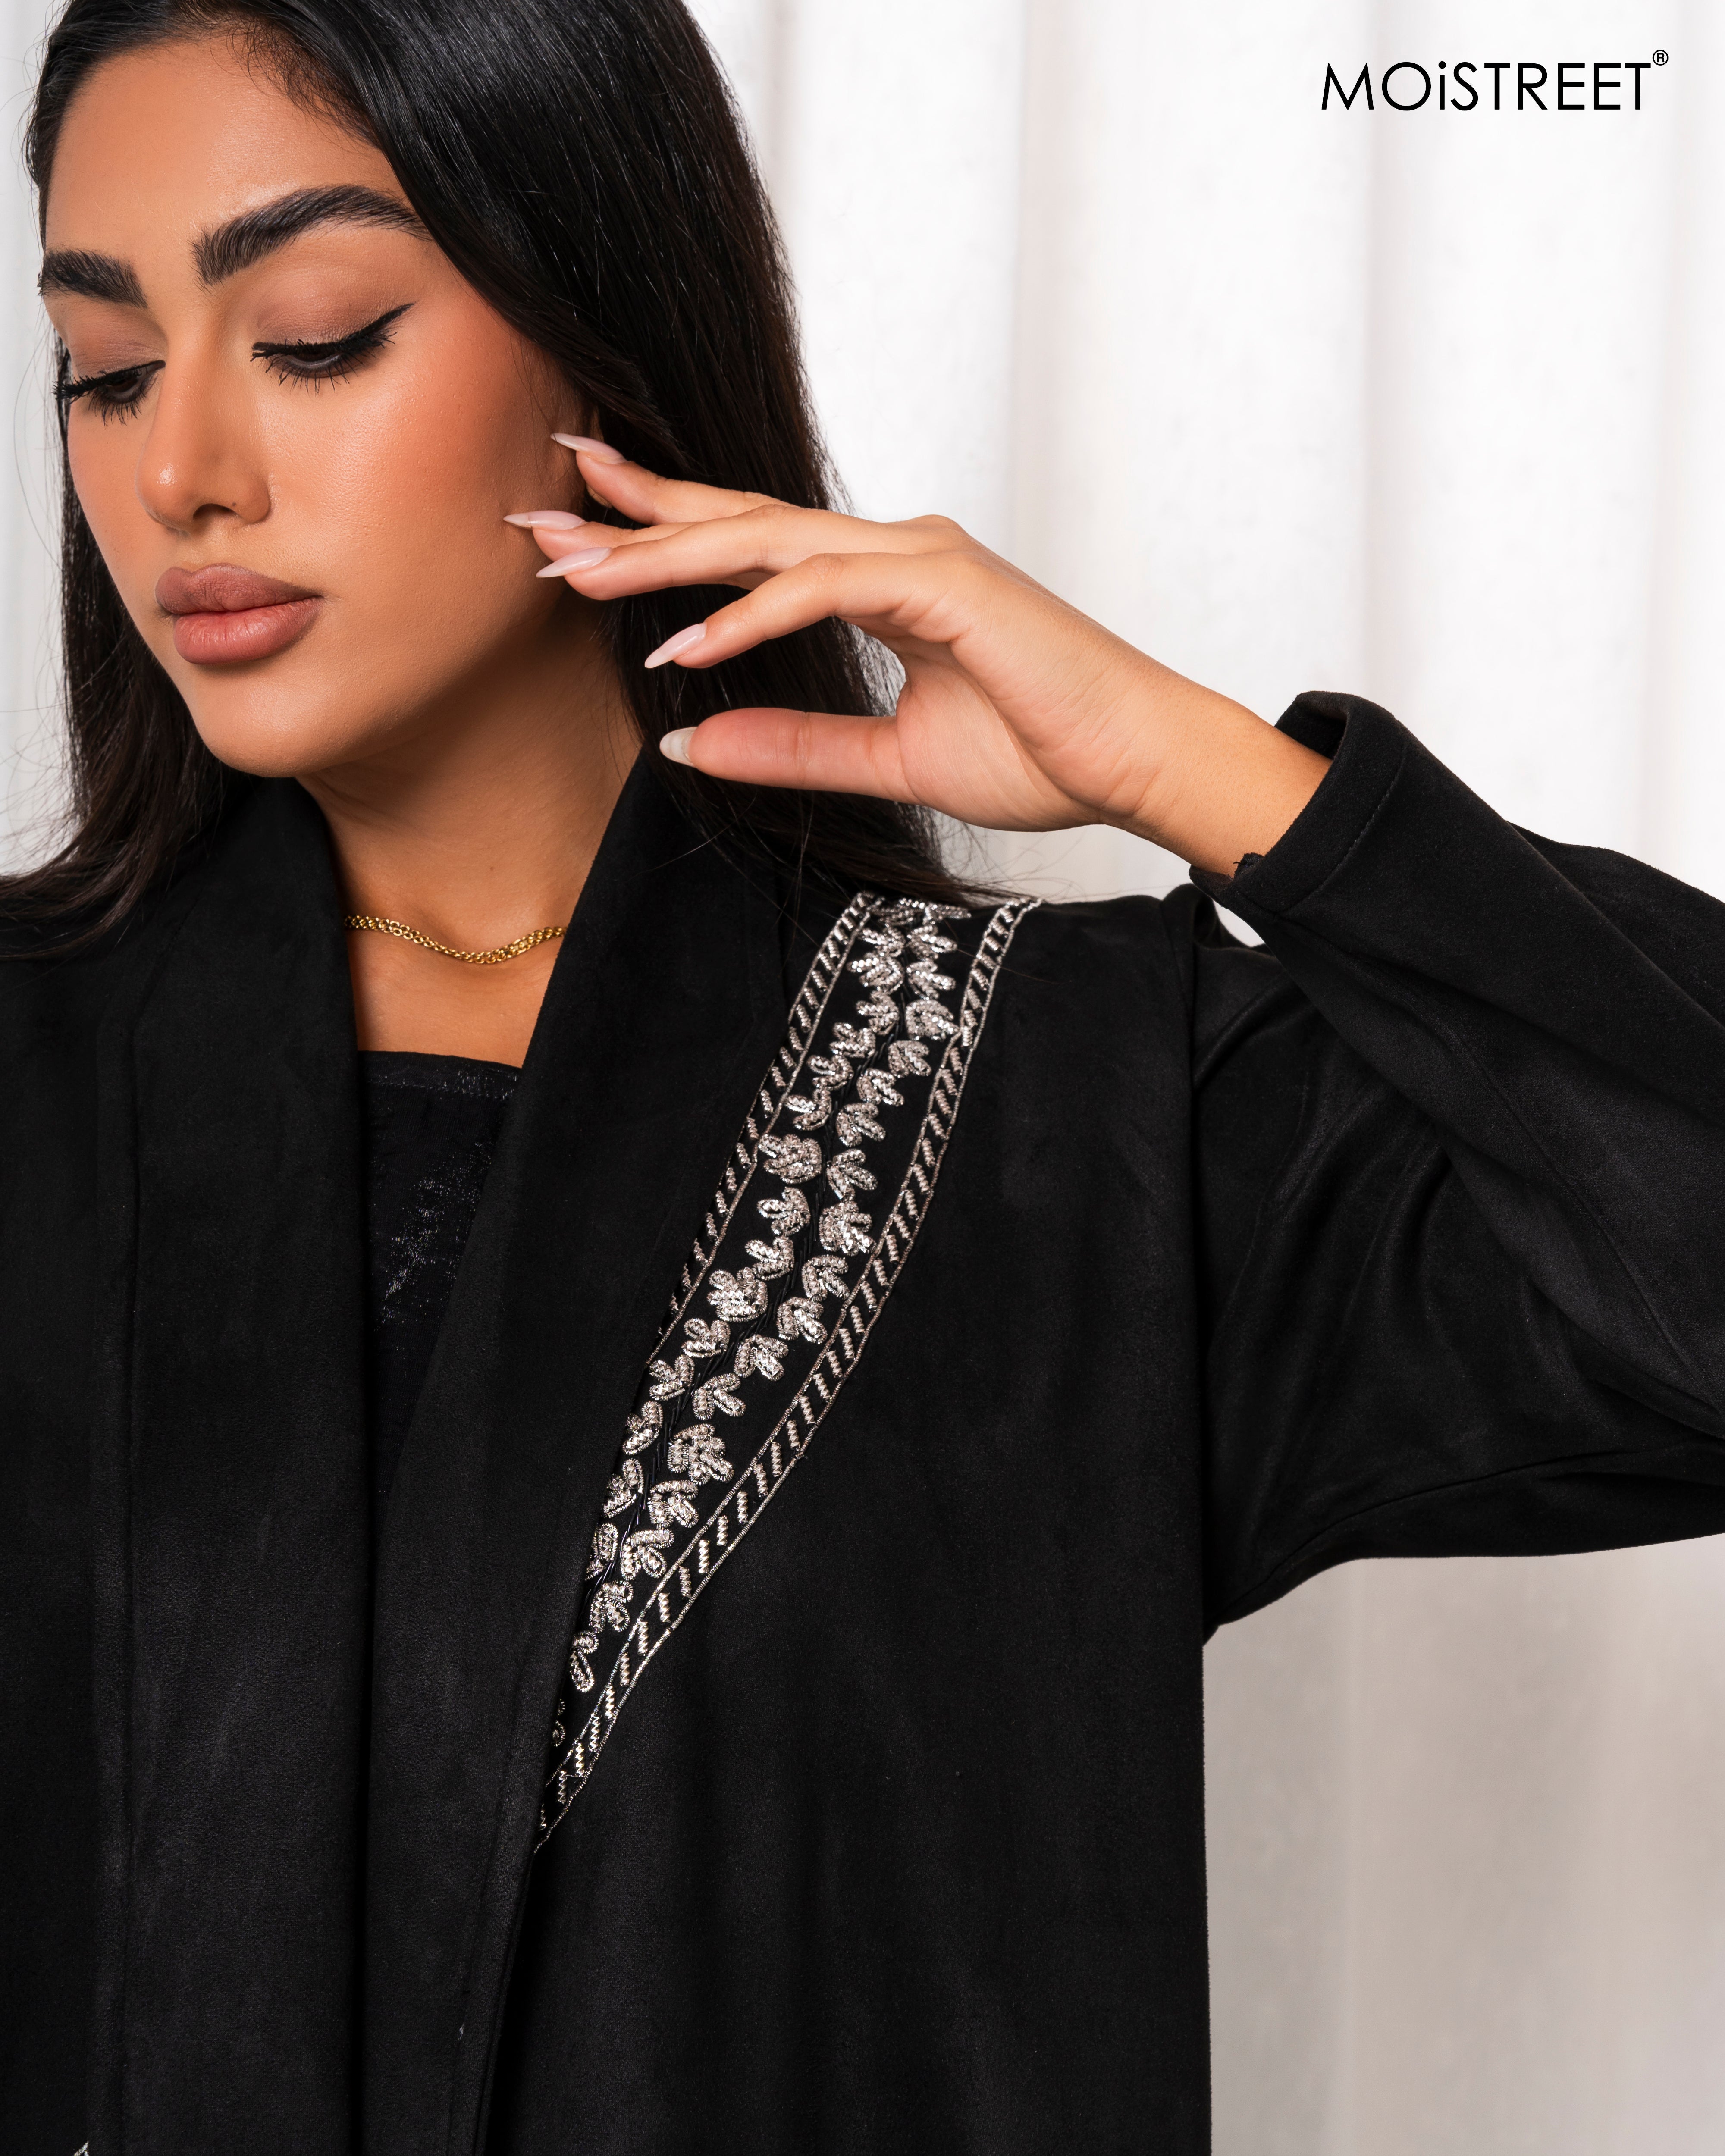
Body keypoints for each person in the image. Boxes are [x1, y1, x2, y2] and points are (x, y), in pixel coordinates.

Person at [3, 0, 1722, 2150]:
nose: (179, 470)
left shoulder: (1068, 1107)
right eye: (105, 367)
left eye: (316, 336)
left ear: (598, 340)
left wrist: (1196, 763)